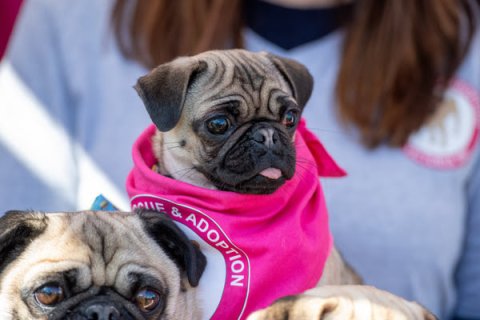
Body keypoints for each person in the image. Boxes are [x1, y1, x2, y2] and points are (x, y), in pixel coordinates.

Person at [0, 0, 478, 319]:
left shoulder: (464, 43)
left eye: (285, 122)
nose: (268, 142)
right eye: (221, 126)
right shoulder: (74, 16)